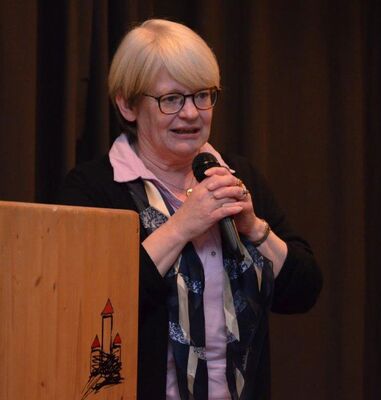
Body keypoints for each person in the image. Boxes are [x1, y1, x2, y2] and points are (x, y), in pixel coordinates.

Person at [59, 18, 322, 400]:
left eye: (202, 95)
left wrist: (255, 229)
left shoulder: (238, 175)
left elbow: (303, 292)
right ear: (127, 104)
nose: (191, 113)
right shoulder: (94, 188)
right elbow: (93, 304)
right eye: (171, 99)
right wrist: (182, 225)